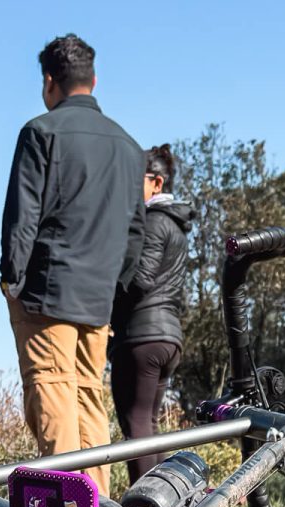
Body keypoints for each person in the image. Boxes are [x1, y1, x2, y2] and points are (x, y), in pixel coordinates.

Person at [0, 34, 144, 493]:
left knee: (51, 390)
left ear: (49, 82)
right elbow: (135, 234)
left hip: (47, 289)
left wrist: (11, 277)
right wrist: (113, 283)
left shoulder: (40, 132)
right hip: (97, 297)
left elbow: (22, 217)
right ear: (94, 79)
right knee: (87, 397)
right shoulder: (129, 146)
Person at [111, 145, 193, 483]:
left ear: (156, 183)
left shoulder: (152, 221)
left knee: (137, 423)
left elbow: (140, 278)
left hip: (142, 334)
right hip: (168, 335)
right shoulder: (176, 225)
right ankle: (166, 501)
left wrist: (106, 290)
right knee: (150, 421)